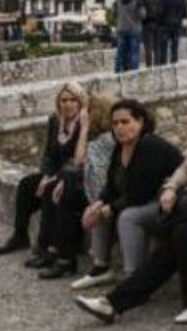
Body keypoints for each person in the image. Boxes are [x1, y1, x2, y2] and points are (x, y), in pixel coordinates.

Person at [75, 92, 187, 325]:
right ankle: (114, 303)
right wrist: (171, 188)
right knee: (175, 237)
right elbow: (186, 169)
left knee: (182, 235)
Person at [77, 99, 184, 296]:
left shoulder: (149, 145)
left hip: (168, 203)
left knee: (128, 216)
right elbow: (110, 187)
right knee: (99, 209)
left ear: (140, 122)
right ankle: (101, 266)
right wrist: (98, 203)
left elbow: (141, 193)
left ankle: (133, 278)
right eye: (115, 123)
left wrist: (110, 208)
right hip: (143, 201)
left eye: (125, 122)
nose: (119, 127)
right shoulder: (120, 148)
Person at [0, 82, 86, 268]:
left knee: (50, 192)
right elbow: (49, 153)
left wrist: (56, 177)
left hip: (74, 177)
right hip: (55, 173)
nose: (67, 105)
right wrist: (46, 174)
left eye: (72, 100)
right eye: (63, 100)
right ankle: (20, 234)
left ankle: (46, 247)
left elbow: (79, 160)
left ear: (80, 103)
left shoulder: (85, 124)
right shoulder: (55, 120)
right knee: (27, 184)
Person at [68, 93, 119, 290]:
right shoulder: (102, 138)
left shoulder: (106, 140)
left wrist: (84, 128)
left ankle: (99, 266)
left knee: (97, 211)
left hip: (107, 194)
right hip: (101, 193)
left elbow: (79, 161)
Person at [156, 0, 187, 65]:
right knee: (174, 46)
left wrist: (158, 23)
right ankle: (174, 62)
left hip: (164, 25)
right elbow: (185, 13)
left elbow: (159, 12)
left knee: (163, 47)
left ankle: (163, 64)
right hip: (177, 24)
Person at [112, 0, 143, 73]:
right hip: (134, 29)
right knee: (134, 52)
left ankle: (118, 70)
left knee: (120, 51)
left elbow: (114, 13)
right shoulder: (136, 0)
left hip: (121, 28)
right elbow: (142, 15)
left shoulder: (118, 0)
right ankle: (134, 72)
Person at [139, 0, 162, 67]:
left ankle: (149, 66)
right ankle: (157, 65)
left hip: (147, 23)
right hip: (158, 23)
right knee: (157, 46)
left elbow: (142, 11)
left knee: (148, 46)